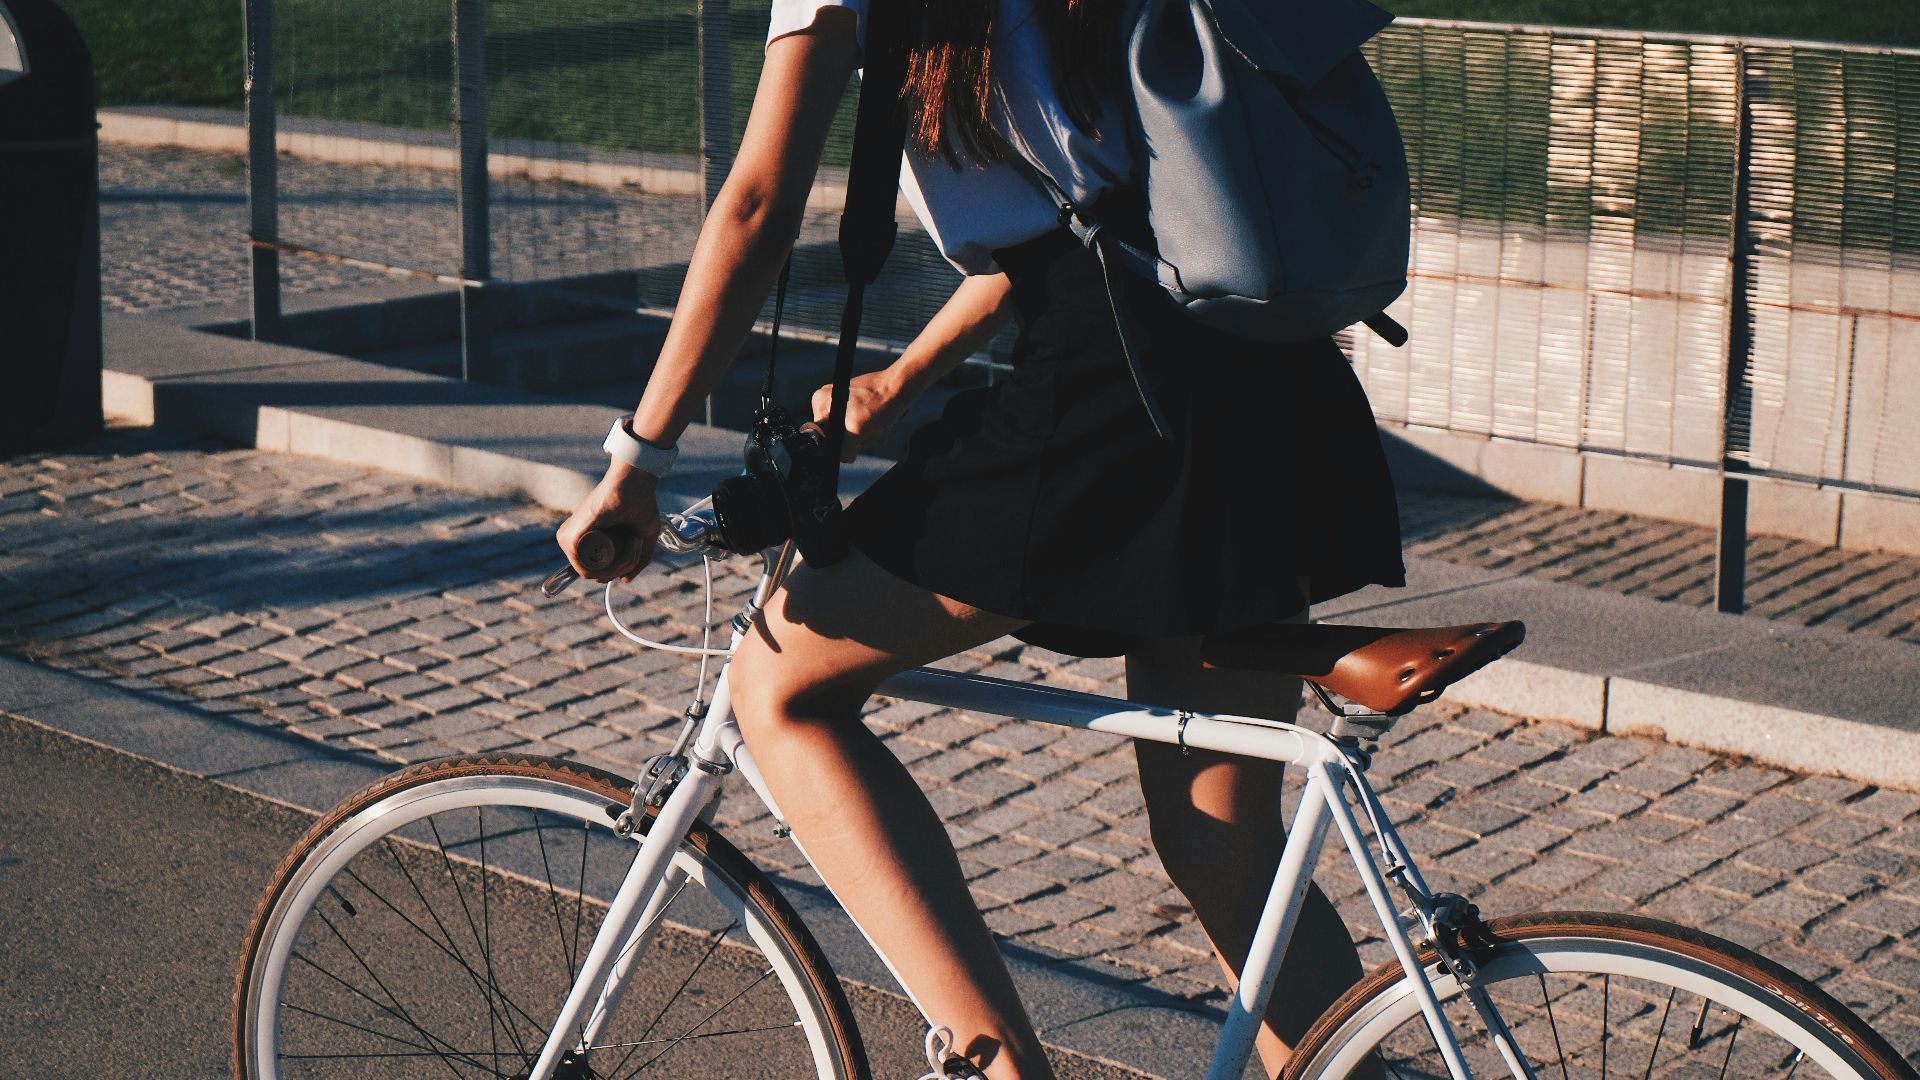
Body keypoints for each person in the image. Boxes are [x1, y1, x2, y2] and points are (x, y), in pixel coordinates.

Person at [556, 1, 1406, 1076]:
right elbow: (1095, 214)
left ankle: (1001, 1070)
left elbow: (760, 203)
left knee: (781, 685)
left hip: (1115, 394)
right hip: (1256, 362)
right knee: (1222, 841)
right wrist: (902, 378)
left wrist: (638, 461)